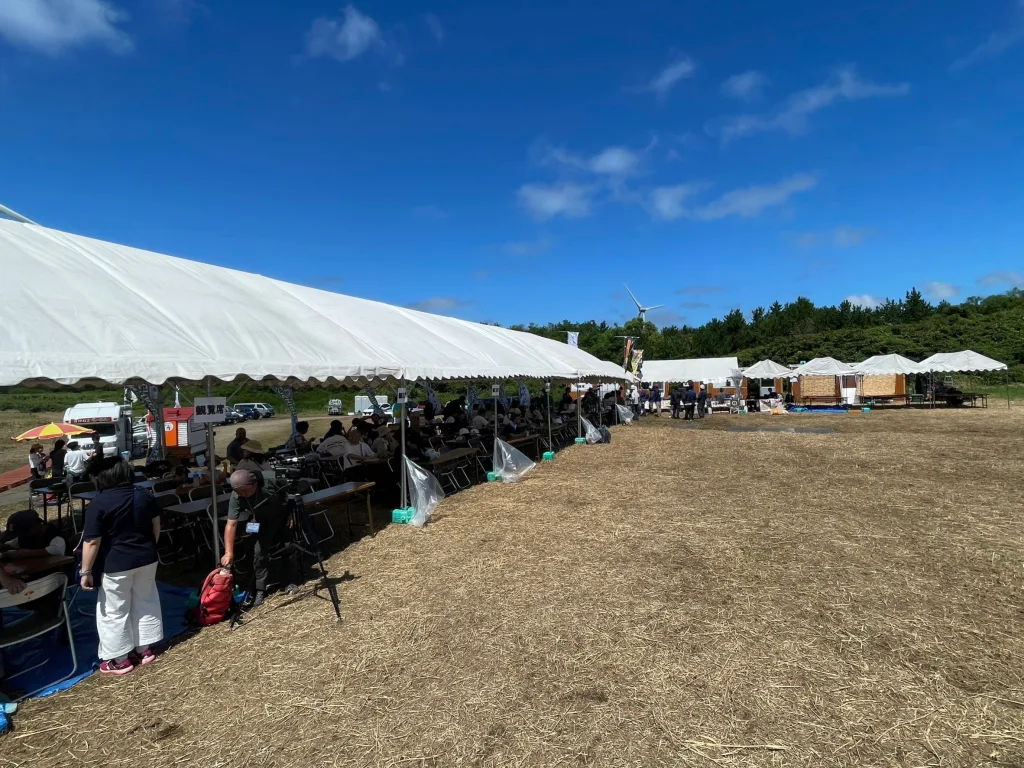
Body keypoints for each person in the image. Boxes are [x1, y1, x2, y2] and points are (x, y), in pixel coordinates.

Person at [79, 458, 163, 675]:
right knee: (145, 601)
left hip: (116, 563)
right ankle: (144, 649)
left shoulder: (98, 503)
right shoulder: (144, 494)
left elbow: (92, 541)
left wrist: (85, 571)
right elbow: (156, 526)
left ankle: (120, 659)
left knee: (114, 610)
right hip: (147, 557)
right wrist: (149, 547)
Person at [222, 470, 299, 609]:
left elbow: (290, 493)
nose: (242, 494)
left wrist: (290, 513)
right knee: (259, 553)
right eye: (239, 492)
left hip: (281, 516)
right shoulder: (236, 495)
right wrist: (228, 552)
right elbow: (231, 524)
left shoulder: (271, 480)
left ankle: (289, 582)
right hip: (261, 521)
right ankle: (260, 589)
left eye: (245, 490)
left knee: (288, 547)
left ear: (254, 484)